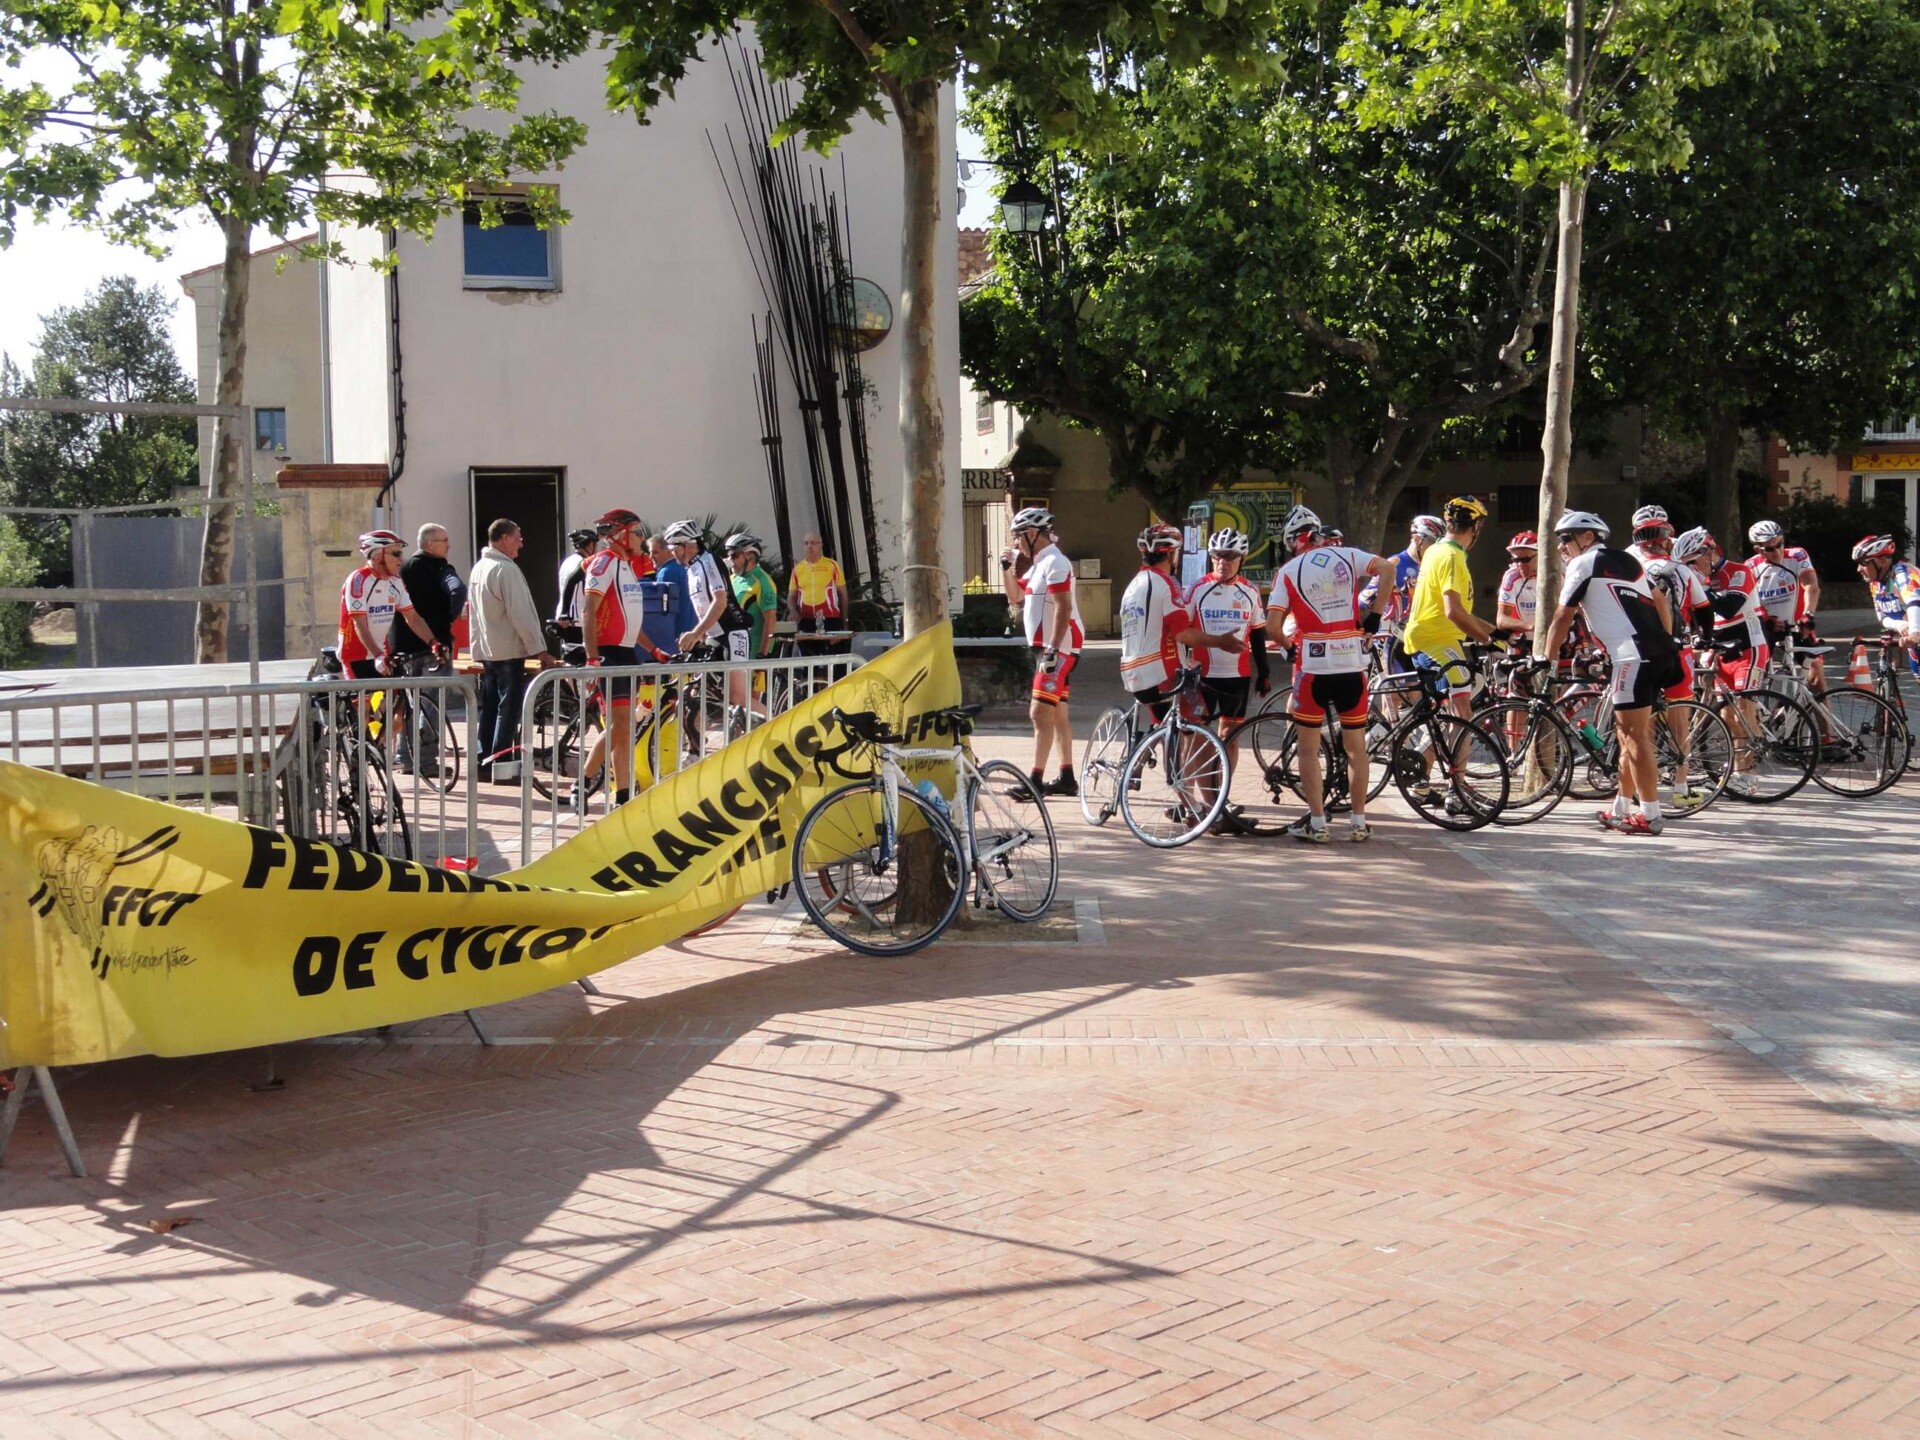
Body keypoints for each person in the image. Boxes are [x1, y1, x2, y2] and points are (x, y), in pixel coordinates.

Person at [1542, 511, 1681, 835]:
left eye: (1566, 538)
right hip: (1654, 652)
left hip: (1631, 655)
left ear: (1587, 538)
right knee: (1628, 733)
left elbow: (1563, 615)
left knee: (1634, 736)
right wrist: (1667, 638)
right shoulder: (1629, 562)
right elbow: (1659, 599)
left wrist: (1545, 659)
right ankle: (1620, 807)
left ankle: (1650, 815)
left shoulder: (1583, 563)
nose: (1561, 546)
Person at [1266, 506, 1396, 842]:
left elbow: (1272, 627)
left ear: (1295, 541)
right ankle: (1358, 821)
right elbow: (1386, 568)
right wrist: (1374, 617)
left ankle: (1319, 823)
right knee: (1356, 748)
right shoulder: (1347, 556)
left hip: (1313, 667)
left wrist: (1288, 646)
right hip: (1351, 665)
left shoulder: (1289, 571)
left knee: (1308, 749)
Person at [581, 508, 672, 805]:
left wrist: (652, 648)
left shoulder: (627, 565)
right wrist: (592, 658)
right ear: (620, 535)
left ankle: (622, 793)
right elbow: (588, 612)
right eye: (637, 532)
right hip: (609, 654)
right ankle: (585, 779)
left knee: (624, 727)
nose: (642, 538)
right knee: (620, 725)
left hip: (627, 652)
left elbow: (631, 620)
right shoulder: (605, 563)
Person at [1184, 529, 1270, 826]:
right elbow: (1183, 631)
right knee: (1200, 738)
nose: (1223, 562)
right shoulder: (1197, 589)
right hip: (1203, 674)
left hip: (1237, 674)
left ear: (1241, 559)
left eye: (1230, 556)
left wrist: (1265, 672)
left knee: (1230, 738)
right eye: (1217, 556)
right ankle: (1196, 800)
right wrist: (1184, 664)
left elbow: (1258, 632)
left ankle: (1222, 793)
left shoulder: (1250, 591)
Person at [1119, 524, 1242, 721]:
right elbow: (1183, 634)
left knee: (1163, 729)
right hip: (1162, 675)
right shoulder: (1167, 583)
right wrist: (1220, 641)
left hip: (1133, 674)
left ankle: (1147, 745)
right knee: (1198, 721)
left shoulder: (1133, 586)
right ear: (1170, 555)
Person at [1001, 506, 1084, 797]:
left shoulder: (1056, 563)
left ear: (1034, 533)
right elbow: (1016, 598)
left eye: (1019, 537)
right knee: (1058, 715)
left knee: (1039, 713)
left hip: (1057, 649)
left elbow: (1064, 606)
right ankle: (1067, 778)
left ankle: (1034, 782)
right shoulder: (1039, 564)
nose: (1016, 543)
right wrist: (1008, 569)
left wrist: (1051, 649)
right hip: (1047, 648)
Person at [467, 519, 557, 784]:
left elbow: (473, 616)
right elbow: (522, 615)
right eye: (518, 537)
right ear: (504, 538)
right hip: (507, 649)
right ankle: (502, 765)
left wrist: (477, 649)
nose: (521, 542)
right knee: (508, 709)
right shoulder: (506, 570)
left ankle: (484, 763)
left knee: (491, 707)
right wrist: (540, 650)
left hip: (489, 650)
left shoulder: (479, 567)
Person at [1403, 495, 1497, 718]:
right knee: (1462, 712)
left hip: (1428, 637)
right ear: (1476, 526)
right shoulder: (1452, 556)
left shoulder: (1436, 549)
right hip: (1437, 641)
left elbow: (1460, 611)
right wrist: (1489, 642)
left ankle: (1427, 752)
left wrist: (1497, 632)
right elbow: (1453, 612)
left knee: (1445, 714)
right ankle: (1452, 754)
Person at [665, 518, 754, 719]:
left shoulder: (709, 561)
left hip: (733, 633)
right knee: (700, 695)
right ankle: (697, 749)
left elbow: (720, 601)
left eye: (673, 547)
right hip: (713, 636)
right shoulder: (691, 568)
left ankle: (778, 732)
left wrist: (695, 633)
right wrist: (701, 635)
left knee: (738, 698)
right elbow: (702, 605)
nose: (671, 552)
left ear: (686, 544)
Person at [337, 530, 436, 679]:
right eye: (396, 553)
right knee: (372, 702)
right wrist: (377, 655)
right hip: (356, 656)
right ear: (377, 556)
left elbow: (413, 618)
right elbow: (360, 624)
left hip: (383, 653)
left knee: (397, 700)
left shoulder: (395, 581)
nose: (401, 559)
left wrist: (434, 643)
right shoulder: (358, 580)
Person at [1748, 519, 1824, 691]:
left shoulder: (1797, 555)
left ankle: (1823, 717)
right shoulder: (1751, 567)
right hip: (1768, 627)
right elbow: (1749, 602)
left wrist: (1808, 614)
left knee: (1817, 677)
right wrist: (1765, 619)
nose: (1777, 551)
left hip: (1797, 625)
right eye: (1769, 548)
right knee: (1754, 677)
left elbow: (1811, 587)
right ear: (1758, 550)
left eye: (1779, 544)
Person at [392, 523, 465, 669]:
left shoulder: (400, 569)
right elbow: (459, 589)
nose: (449, 545)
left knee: (409, 692)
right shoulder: (440, 569)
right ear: (430, 544)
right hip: (435, 649)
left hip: (402, 650)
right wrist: (450, 617)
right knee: (436, 692)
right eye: (445, 540)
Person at [1854, 534, 1920, 673]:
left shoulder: (1904, 573)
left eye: (1863, 563)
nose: (1859, 569)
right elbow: (1882, 617)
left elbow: (1914, 602)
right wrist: (1900, 625)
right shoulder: (1876, 584)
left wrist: (1915, 631)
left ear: (1882, 561)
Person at [787, 531, 848, 653]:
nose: (809, 546)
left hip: (830, 619)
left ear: (820, 545)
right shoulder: (798, 569)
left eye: (813, 543)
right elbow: (791, 596)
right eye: (806, 543)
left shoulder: (832, 565)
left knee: (835, 661)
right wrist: (793, 610)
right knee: (809, 661)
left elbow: (843, 595)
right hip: (806, 620)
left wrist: (844, 621)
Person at [552, 527, 600, 647]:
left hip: (565, 618)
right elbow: (572, 584)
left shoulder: (567, 561)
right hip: (576, 619)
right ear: (589, 545)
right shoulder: (582, 563)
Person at [1493, 532, 1538, 640]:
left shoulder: (1558, 573)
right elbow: (1501, 619)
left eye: (1525, 560)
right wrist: (1532, 627)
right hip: (1523, 642)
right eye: (1516, 560)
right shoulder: (1511, 577)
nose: (1520, 565)